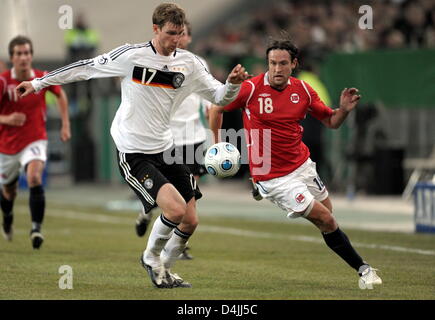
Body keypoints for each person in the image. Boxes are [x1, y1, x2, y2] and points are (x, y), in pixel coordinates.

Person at [16, 3, 249, 288]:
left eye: (180, 34)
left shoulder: (190, 64)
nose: (175, 40)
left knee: (190, 221)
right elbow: (85, 69)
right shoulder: (131, 56)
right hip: (134, 150)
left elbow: (220, 96)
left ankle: (165, 270)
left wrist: (233, 84)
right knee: (175, 211)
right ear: (155, 29)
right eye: (170, 33)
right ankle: (151, 259)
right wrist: (39, 83)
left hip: (165, 147)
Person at [209, 36, 382, 288]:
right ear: (267, 63)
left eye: (282, 63)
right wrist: (216, 144)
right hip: (274, 177)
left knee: (328, 215)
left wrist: (343, 109)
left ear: (293, 64)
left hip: (302, 165)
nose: (277, 69)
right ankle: (364, 271)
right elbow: (216, 108)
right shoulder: (251, 89)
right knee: (327, 220)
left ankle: (259, 188)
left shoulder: (303, 90)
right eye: (272, 63)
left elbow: (332, 122)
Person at [134, 21, 212, 261]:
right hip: (169, 138)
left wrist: (211, 111)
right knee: (168, 193)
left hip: (194, 137)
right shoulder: (160, 63)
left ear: (188, 37)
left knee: (189, 194)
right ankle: (146, 212)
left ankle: (180, 244)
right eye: (177, 33)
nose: (181, 37)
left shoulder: (196, 64)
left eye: (184, 33)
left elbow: (209, 96)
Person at [0, 36, 71, 249]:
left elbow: (60, 94)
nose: (24, 57)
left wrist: (65, 124)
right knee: (9, 191)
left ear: (31, 55)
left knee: (34, 176)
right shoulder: (3, 81)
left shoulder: (41, 78)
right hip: (7, 145)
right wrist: (7, 119)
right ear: (12, 57)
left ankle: (36, 228)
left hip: (35, 139)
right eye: (19, 54)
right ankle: (8, 216)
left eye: (27, 53)